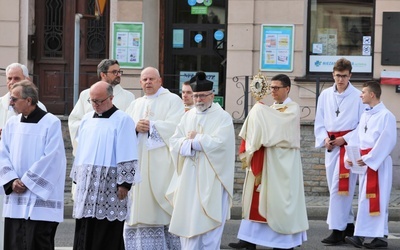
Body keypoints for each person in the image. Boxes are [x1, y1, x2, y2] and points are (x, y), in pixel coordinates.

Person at [229, 74, 308, 250]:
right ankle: (247, 239)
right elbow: (261, 126)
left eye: (277, 87)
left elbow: (277, 127)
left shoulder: (292, 109)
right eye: (271, 87)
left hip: (282, 164)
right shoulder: (270, 109)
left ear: (287, 89)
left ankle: (283, 243)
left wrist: (259, 110)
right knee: (256, 197)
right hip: (265, 160)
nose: (273, 91)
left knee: (279, 202)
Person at [70, 81, 140, 250]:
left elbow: (128, 150)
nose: (95, 105)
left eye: (99, 101)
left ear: (111, 98)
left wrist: (124, 183)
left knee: (107, 232)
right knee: (84, 227)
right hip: (87, 184)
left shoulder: (123, 120)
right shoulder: (86, 119)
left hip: (110, 185)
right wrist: (77, 177)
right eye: (92, 101)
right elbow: (81, 151)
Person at [168, 72, 235, 249]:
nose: (198, 99)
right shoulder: (188, 116)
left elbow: (222, 145)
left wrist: (198, 139)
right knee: (189, 222)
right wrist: (190, 143)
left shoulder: (223, 118)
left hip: (212, 178)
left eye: (202, 96)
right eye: (195, 95)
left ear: (212, 96)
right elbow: (174, 142)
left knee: (209, 227)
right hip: (189, 179)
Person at [0, 80, 66, 249]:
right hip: (16, 196)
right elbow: (3, 154)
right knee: (15, 242)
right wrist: (12, 180)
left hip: (39, 200)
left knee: (37, 242)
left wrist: (28, 182)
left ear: (28, 100)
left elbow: (52, 158)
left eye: (14, 99)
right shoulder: (11, 124)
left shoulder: (51, 123)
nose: (11, 103)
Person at [124, 67, 184, 249]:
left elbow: (177, 128)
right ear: (140, 83)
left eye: (151, 79)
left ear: (160, 81)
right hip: (139, 161)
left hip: (161, 165)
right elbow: (124, 127)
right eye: (144, 79)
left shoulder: (173, 100)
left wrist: (152, 126)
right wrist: (135, 127)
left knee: (161, 207)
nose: (148, 82)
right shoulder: (135, 104)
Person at [314, 57, 366, 244]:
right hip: (332, 146)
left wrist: (347, 138)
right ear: (333, 75)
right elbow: (319, 121)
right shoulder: (325, 95)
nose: (340, 80)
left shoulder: (358, 96)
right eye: (337, 76)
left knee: (340, 189)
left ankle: (336, 230)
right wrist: (324, 139)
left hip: (349, 147)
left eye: (344, 76)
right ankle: (349, 224)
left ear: (350, 75)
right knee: (334, 188)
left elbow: (363, 124)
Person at [344, 81, 396, 249]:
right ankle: (374, 236)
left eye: (364, 92)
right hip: (366, 162)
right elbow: (356, 138)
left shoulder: (386, 115)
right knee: (366, 200)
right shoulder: (366, 114)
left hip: (378, 164)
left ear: (372, 94)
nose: (361, 95)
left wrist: (369, 158)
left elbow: (387, 141)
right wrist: (350, 155)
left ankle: (368, 236)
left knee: (376, 200)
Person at [68, 59, 135, 153]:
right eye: (114, 72)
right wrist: (93, 127)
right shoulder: (86, 94)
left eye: (119, 72)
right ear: (103, 74)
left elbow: (131, 123)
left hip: (114, 148)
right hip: (91, 147)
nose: (119, 75)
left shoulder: (128, 97)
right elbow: (74, 121)